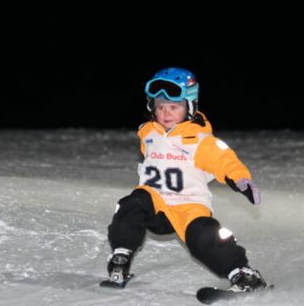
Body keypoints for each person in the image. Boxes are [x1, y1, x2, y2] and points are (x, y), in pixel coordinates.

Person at [104, 67, 268, 292]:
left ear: (190, 107)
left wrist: (240, 180)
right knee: (130, 204)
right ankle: (120, 256)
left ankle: (242, 274)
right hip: (156, 202)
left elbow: (224, 159)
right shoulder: (148, 132)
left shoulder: (201, 140)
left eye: (174, 107)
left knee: (204, 236)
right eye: (160, 107)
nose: (166, 113)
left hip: (189, 205)